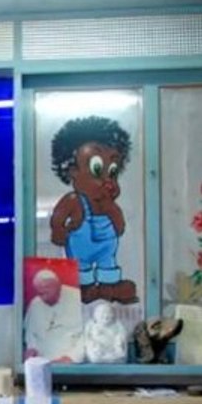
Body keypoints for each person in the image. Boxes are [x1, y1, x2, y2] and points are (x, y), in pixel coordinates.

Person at [49, 115, 138, 304]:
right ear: (72, 172)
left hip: (106, 248)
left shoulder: (109, 206)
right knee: (82, 268)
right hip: (81, 247)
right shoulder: (75, 200)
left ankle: (109, 287)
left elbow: (119, 226)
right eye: (97, 170)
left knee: (108, 263)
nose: (108, 181)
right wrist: (58, 229)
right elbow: (58, 217)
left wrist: (113, 211)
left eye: (112, 172)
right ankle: (86, 288)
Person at [23, 268, 85, 363]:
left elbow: (90, 333)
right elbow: (30, 335)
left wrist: (72, 357)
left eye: (47, 290)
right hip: (42, 361)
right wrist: (32, 349)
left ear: (58, 286)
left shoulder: (78, 298)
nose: (44, 297)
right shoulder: (35, 304)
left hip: (72, 362)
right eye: (40, 293)